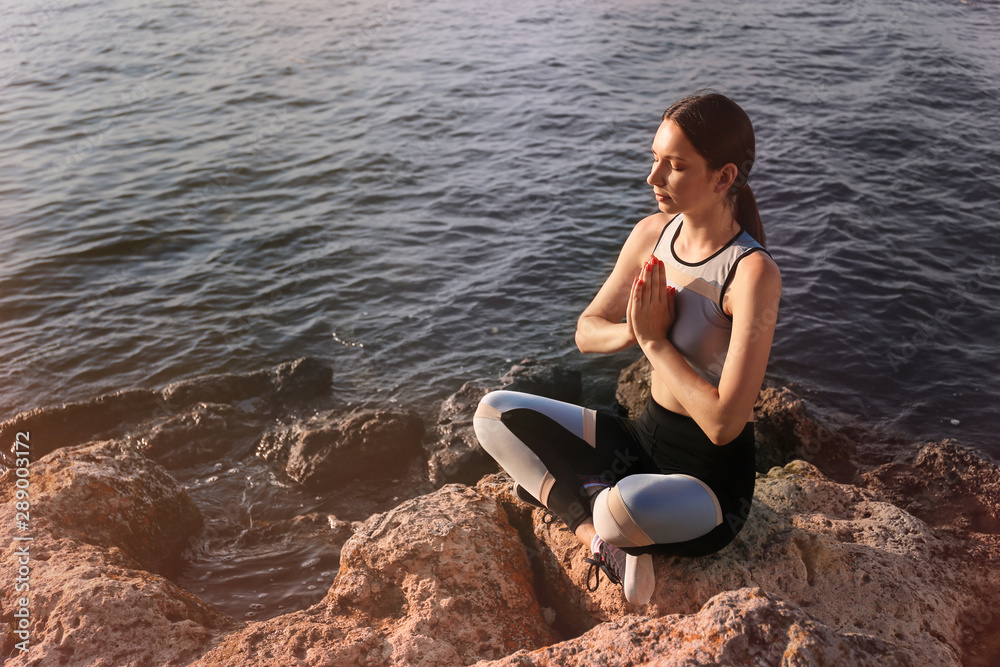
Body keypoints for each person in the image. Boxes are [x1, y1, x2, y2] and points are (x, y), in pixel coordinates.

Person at [473, 92, 781, 605]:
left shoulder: (750, 274)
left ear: (724, 177)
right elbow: (587, 330)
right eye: (654, 159)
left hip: (709, 485)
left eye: (675, 166)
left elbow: (726, 422)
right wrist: (634, 332)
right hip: (641, 441)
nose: (653, 178)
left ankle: (599, 510)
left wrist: (656, 342)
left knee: (616, 507)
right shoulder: (652, 234)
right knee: (493, 415)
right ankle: (598, 539)